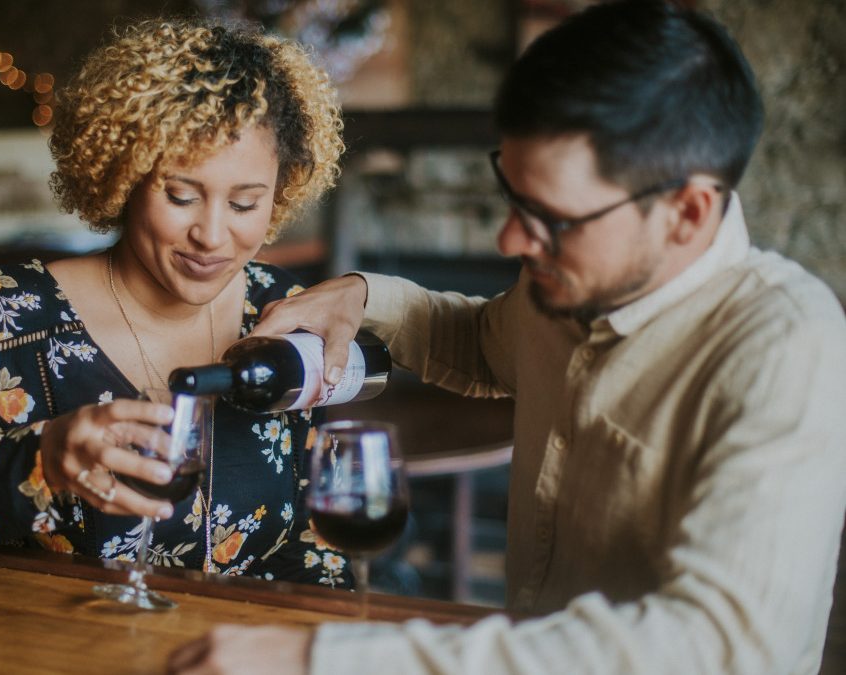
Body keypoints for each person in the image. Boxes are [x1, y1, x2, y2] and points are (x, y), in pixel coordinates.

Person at [166, 1, 846, 673]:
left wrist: (325, 658)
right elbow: (486, 344)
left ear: (687, 212)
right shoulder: (575, 286)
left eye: (551, 217)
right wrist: (364, 295)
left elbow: (716, 646)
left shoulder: (787, 347)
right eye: (513, 197)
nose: (512, 239)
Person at [0, 18, 354, 586]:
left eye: (244, 204)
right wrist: (35, 463)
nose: (212, 235)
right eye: (181, 196)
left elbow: (311, 539)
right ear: (122, 176)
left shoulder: (284, 314)